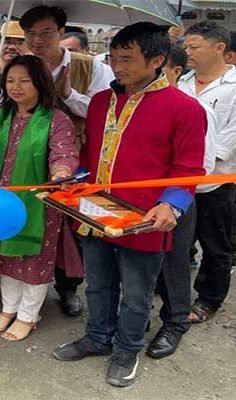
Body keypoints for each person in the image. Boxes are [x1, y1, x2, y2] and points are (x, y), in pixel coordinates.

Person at [53, 22, 207, 388]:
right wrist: (73, 180)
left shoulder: (184, 109)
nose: (117, 67)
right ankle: (98, 337)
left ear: (157, 60)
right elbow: (91, 156)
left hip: (143, 220)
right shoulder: (102, 102)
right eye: (113, 58)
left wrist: (171, 206)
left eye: (127, 59)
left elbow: (188, 170)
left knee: (137, 294)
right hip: (95, 213)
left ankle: (127, 349)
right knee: (97, 285)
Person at [0, 55, 80, 341]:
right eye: (10, 81)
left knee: (33, 258)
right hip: (1, 201)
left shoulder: (56, 119)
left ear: (40, 83)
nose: (15, 87)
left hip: (38, 202)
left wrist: (60, 173)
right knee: (7, 255)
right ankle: (9, 309)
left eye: (24, 81)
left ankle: (29, 315)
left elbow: (64, 154)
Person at [20, 5, 115, 317]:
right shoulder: (22, 65)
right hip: (29, 157)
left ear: (62, 32)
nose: (37, 40)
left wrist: (70, 94)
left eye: (46, 32)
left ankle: (69, 288)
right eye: (31, 34)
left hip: (78, 158)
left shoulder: (91, 67)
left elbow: (105, 113)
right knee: (32, 219)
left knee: (72, 226)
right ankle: (23, 285)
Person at [148, 45, 218, 359]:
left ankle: (175, 322)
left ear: (174, 69)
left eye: (158, 72)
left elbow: (203, 163)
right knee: (143, 264)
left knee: (174, 263)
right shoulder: (142, 106)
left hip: (177, 200)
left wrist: (175, 200)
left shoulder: (194, 109)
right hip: (141, 201)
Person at [178, 21, 236, 325]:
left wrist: (200, 162)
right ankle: (172, 290)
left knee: (215, 244)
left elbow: (229, 137)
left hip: (216, 182)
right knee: (177, 240)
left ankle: (209, 299)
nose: (187, 52)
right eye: (186, 47)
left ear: (219, 48)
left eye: (194, 47)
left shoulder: (234, 87)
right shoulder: (182, 83)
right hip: (179, 180)